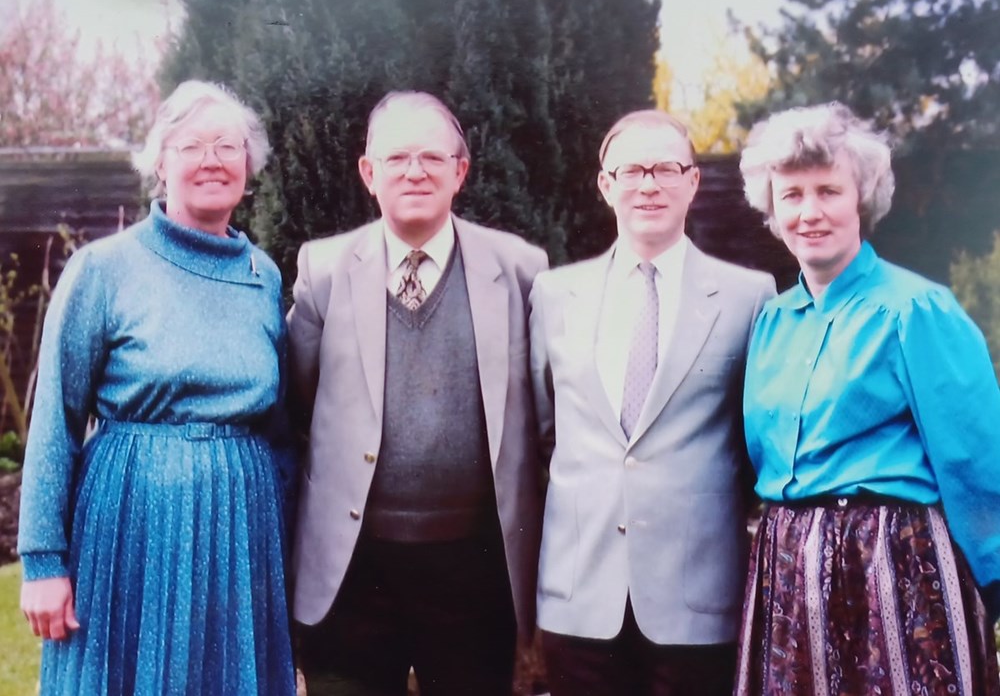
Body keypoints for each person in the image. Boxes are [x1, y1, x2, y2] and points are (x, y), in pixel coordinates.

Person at [17, 80, 297, 695]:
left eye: (228, 145)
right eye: (191, 144)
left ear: (248, 167)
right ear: (159, 162)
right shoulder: (105, 269)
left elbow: (279, 429)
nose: (211, 160)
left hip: (239, 534)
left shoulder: (263, 276)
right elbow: (56, 420)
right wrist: (42, 561)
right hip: (129, 524)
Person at [287, 90, 548, 695]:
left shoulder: (519, 269)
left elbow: (544, 418)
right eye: (397, 156)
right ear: (368, 172)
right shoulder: (323, 271)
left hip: (474, 566)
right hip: (355, 568)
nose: (414, 170)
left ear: (460, 171)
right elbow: (300, 407)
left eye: (432, 157)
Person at [735, 102, 1000, 695]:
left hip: (896, 568)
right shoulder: (772, 321)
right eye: (792, 194)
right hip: (787, 568)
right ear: (772, 209)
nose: (810, 212)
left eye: (828, 190)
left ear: (863, 198)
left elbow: (978, 460)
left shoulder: (915, 309)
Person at [528, 109, 776, 696]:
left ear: (693, 182)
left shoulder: (748, 297)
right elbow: (542, 433)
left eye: (666, 168)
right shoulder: (555, 294)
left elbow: (753, 438)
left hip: (697, 596)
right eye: (632, 170)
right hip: (580, 592)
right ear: (605, 184)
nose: (649, 184)